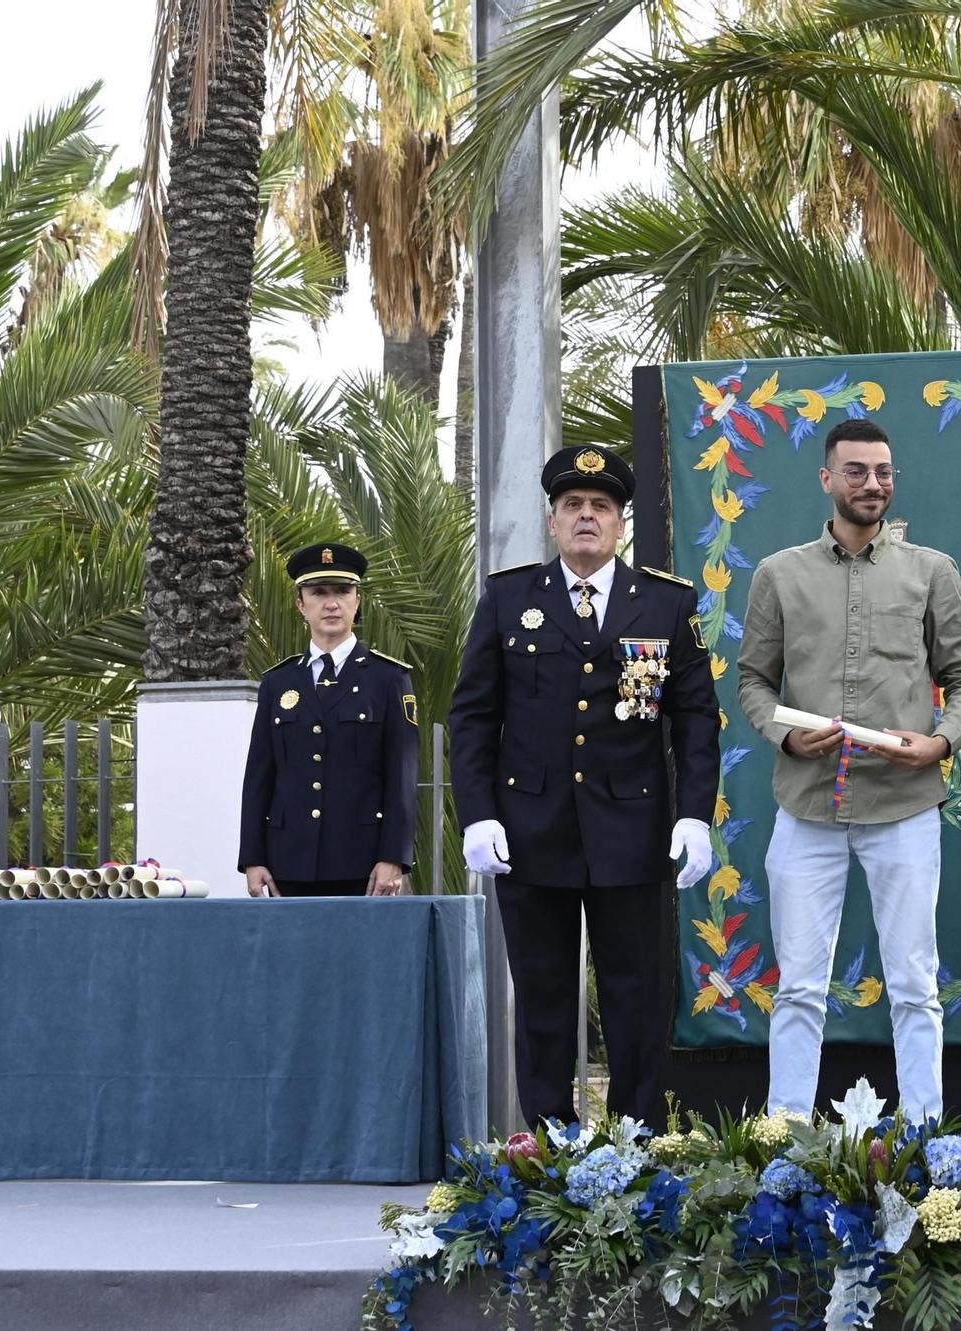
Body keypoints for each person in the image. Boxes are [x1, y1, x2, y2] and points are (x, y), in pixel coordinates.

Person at [448, 444, 718, 1127]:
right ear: (552, 521)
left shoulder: (664, 601)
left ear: (622, 523)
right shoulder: (511, 598)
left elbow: (694, 720)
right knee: (542, 998)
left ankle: (636, 1142)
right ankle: (546, 1145)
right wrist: (477, 815)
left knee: (637, 1001)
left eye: (601, 507)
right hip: (531, 833)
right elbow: (474, 715)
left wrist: (694, 816)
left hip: (634, 832)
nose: (587, 517)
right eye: (574, 506)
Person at [737, 417, 961, 1124]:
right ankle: (785, 1138)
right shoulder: (778, 574)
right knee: (798, 988)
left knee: (914, 983)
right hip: (806, 807)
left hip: (904, 806)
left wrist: (938, 743)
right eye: (856, 471)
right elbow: (753, 680)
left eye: (883, 471)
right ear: (826, 479)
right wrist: (785, 738)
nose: (872, 483)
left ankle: (927, 1137)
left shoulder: (933, 572)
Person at [239, 542, 418, 897]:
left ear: (357, 601)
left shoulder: (388, 679)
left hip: (363, 863)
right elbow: (260, 775)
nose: (331, 603)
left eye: (342, 591)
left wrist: (393, 857)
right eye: (318, 592)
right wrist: (252, 858)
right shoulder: (278, 683)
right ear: (300, 604)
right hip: (287, 861)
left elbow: (402, 775)